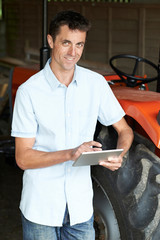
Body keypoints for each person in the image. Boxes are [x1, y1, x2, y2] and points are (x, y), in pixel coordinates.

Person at [11, 10, 133, 240]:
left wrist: (120, 154)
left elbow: (124, 130)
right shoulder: (29, 92)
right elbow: (23, 158)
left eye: (79, 44)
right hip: (41, 211)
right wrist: (71, 153)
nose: (73, 52)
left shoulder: (95, 84)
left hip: (81, 210)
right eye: (66, 43)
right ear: (50, 41)